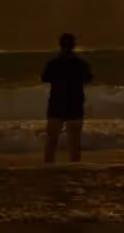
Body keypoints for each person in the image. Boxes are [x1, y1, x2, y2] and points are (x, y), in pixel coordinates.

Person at [41, 32, 93, 163]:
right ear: (74, 45)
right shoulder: (81, 63)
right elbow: (88, 78)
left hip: (56, 103)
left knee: (52, 140)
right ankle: (74, 167)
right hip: (75, 102)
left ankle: (48, 166)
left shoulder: (53, 63)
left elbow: (45, 78)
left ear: (60, 44)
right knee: (74, 142)